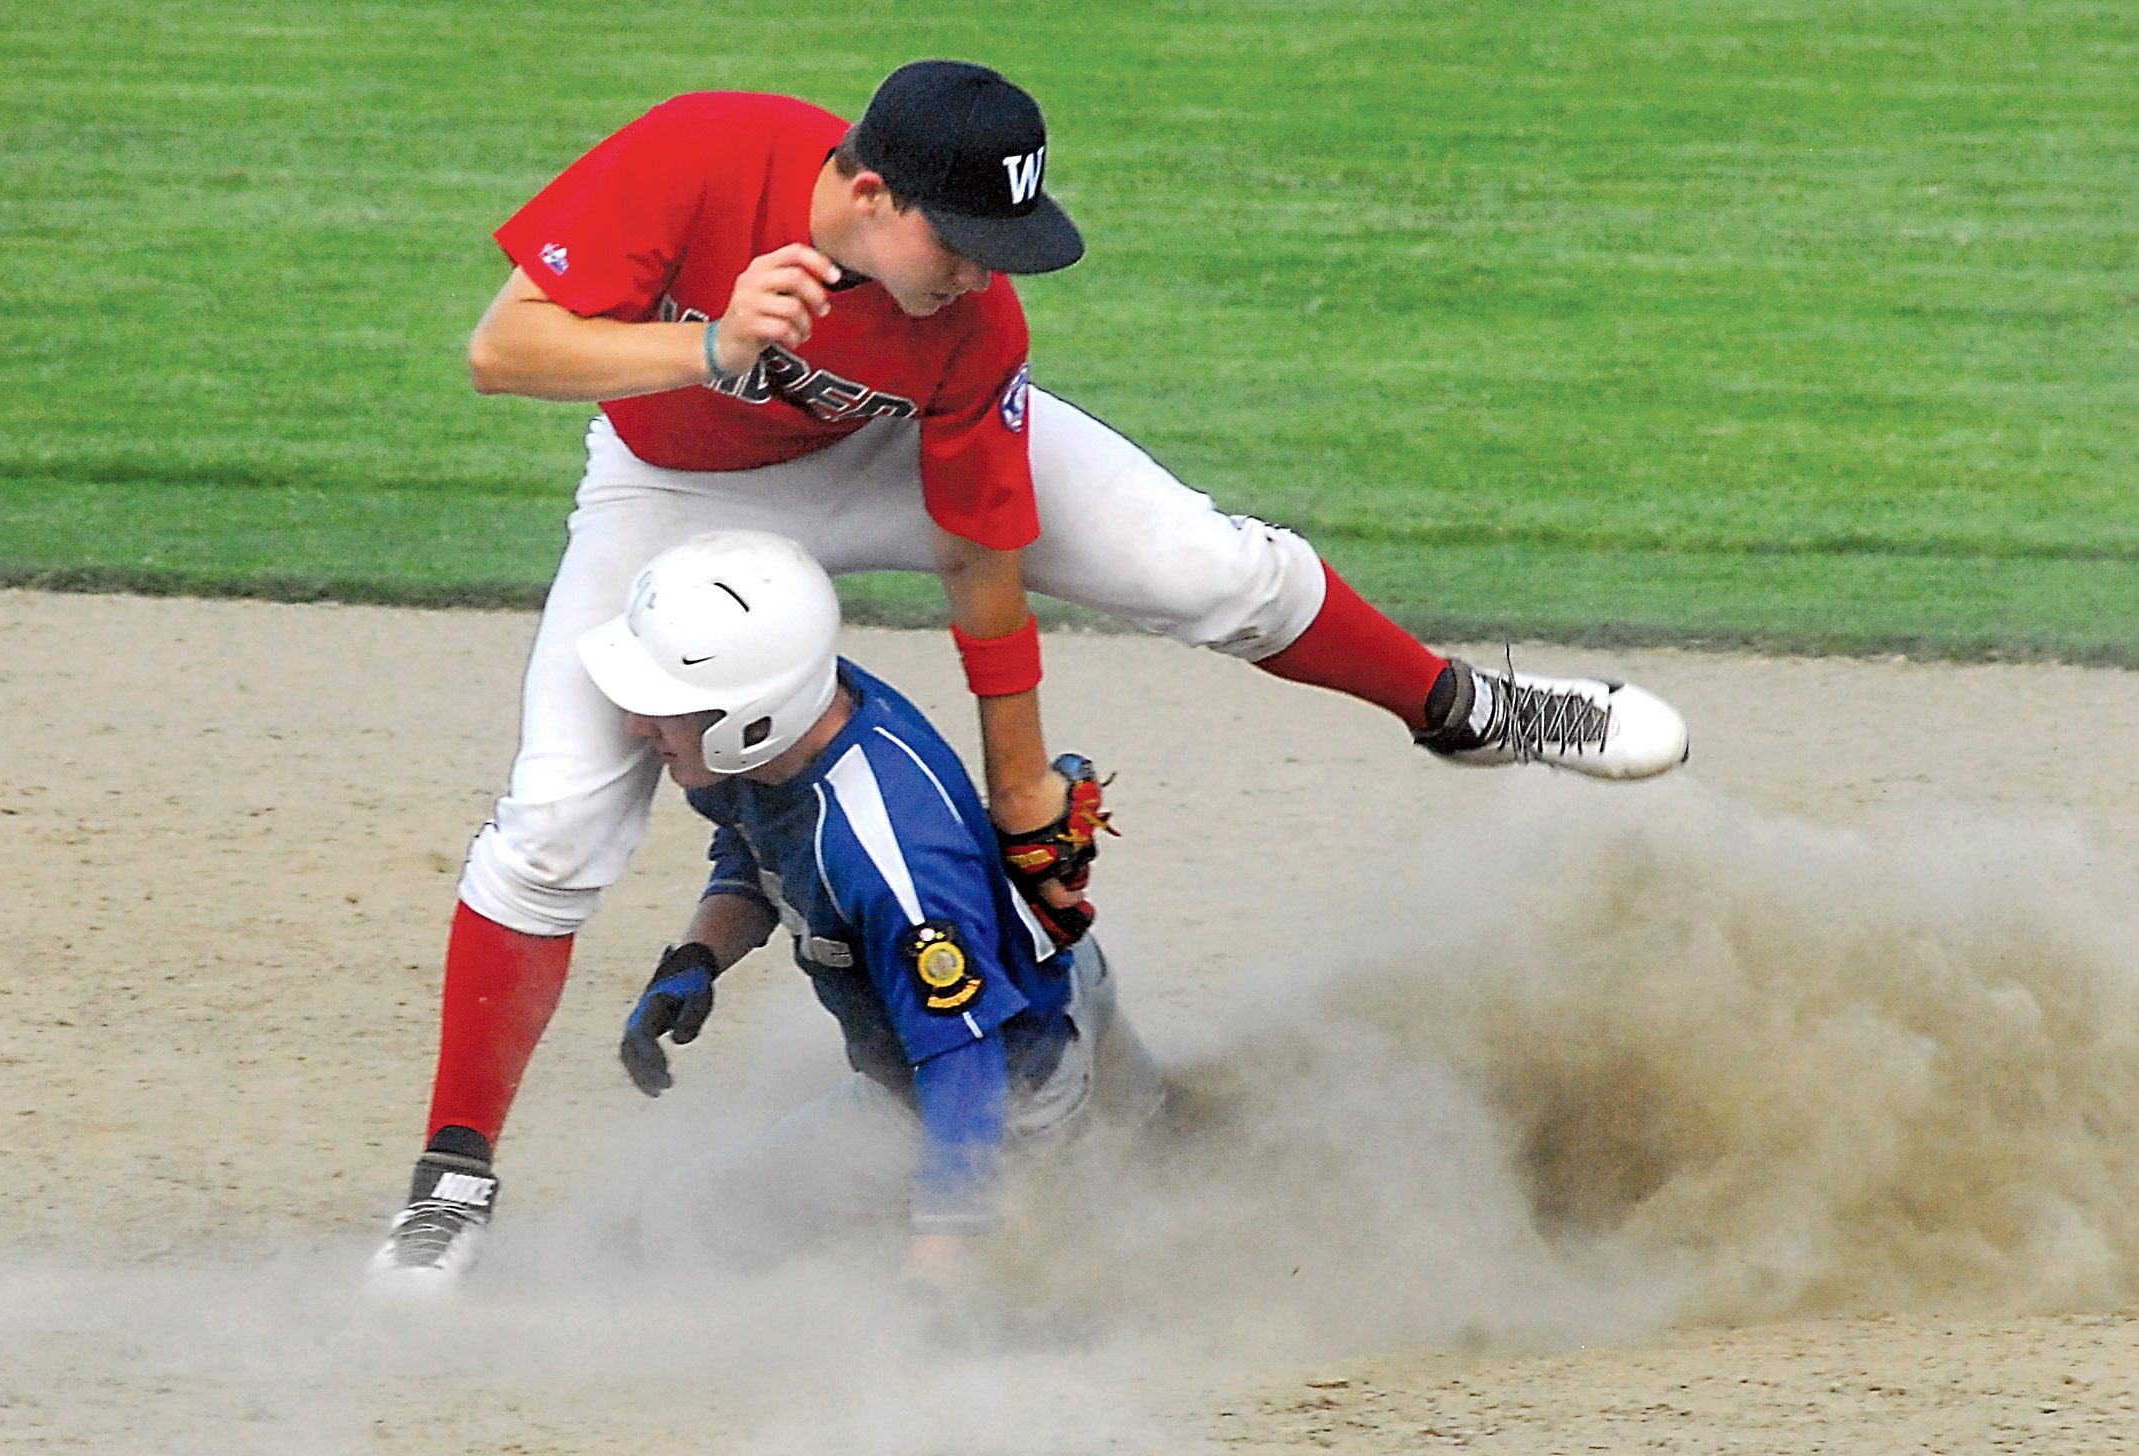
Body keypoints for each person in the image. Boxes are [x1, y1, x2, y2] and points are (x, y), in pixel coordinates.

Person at [368, 59, 1688, 1284]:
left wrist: (1017, 794)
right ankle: (451, 1181)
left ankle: (1460, 707)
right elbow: (505, 349)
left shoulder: (967, 324)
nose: (976, 274)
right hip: (679, 484)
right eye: (957, 242)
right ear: (869, 193)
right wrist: (706, 348)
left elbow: (979, 557)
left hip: (882, 464)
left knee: (1214, 567)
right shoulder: (708, 150)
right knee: (550, 830)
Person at [373, 532, 1166, 1291]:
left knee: (686, 1227)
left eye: (661, 707)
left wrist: (938, 1277)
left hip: (1006, 1088)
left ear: (750, 713)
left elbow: (964, 1070)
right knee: (1164, 1143)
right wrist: (697, 957)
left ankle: (1069, 1261)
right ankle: (1168, 1153)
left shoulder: (886, 856)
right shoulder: (777, 727)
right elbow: (760, 845)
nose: (633, 728)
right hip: (1056, 979)